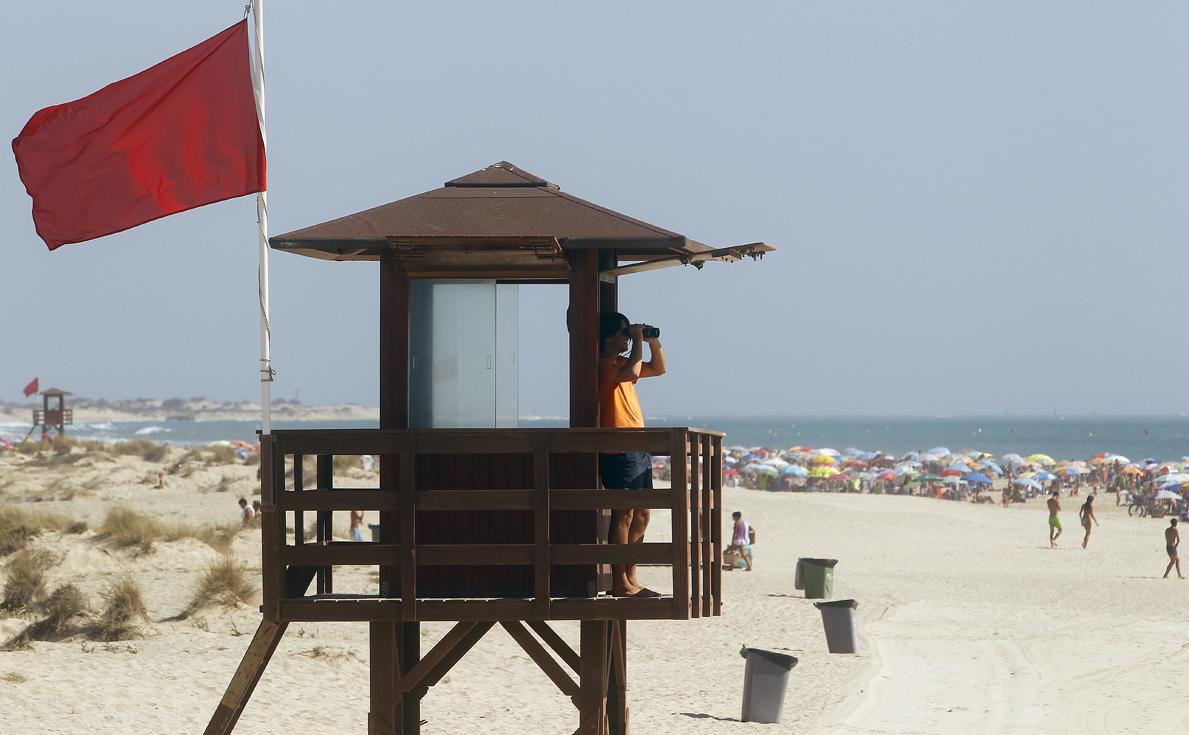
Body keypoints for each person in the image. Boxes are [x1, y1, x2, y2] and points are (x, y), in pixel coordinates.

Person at [597, 312, 665, 597]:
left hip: (638, 446)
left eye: (628, 333)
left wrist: (652, 341)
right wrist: (638, 340)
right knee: (623, 514)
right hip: (617, 447)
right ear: (608, 337)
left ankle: (630, 577)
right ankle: (619, 582)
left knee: (642, 514)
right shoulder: (604, 365)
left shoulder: (624, 363)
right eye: (623, 333)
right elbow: (634, 372)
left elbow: (659, 368)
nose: (627, 338)